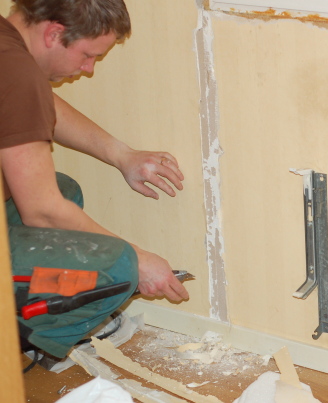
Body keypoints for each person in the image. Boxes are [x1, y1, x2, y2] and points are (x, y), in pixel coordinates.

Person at [0, 0, 189, 358]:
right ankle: (15, 344)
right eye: (88, 55)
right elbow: (42, 211)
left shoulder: (7, 48)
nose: (87, 69)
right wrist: (139, 259)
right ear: (54, 33)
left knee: (65, 190)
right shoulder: (19, 74)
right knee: (117, 268)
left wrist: (122, 155)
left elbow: (39, 105)